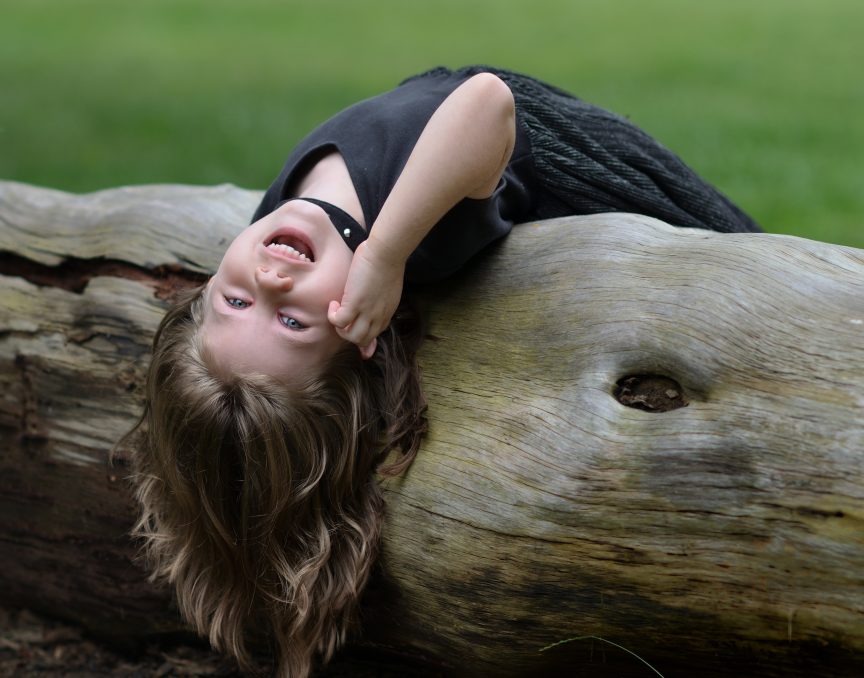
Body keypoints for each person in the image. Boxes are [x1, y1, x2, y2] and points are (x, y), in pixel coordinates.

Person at [127, 65, 760, 678]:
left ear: (207, 291)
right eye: (292, 322)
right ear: (362, 329)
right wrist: (386, 251)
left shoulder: (274, 232)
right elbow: (487, 102)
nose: (269, 280)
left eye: (236, 304)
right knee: (754, 275)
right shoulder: (410, 245)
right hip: (597, 177)